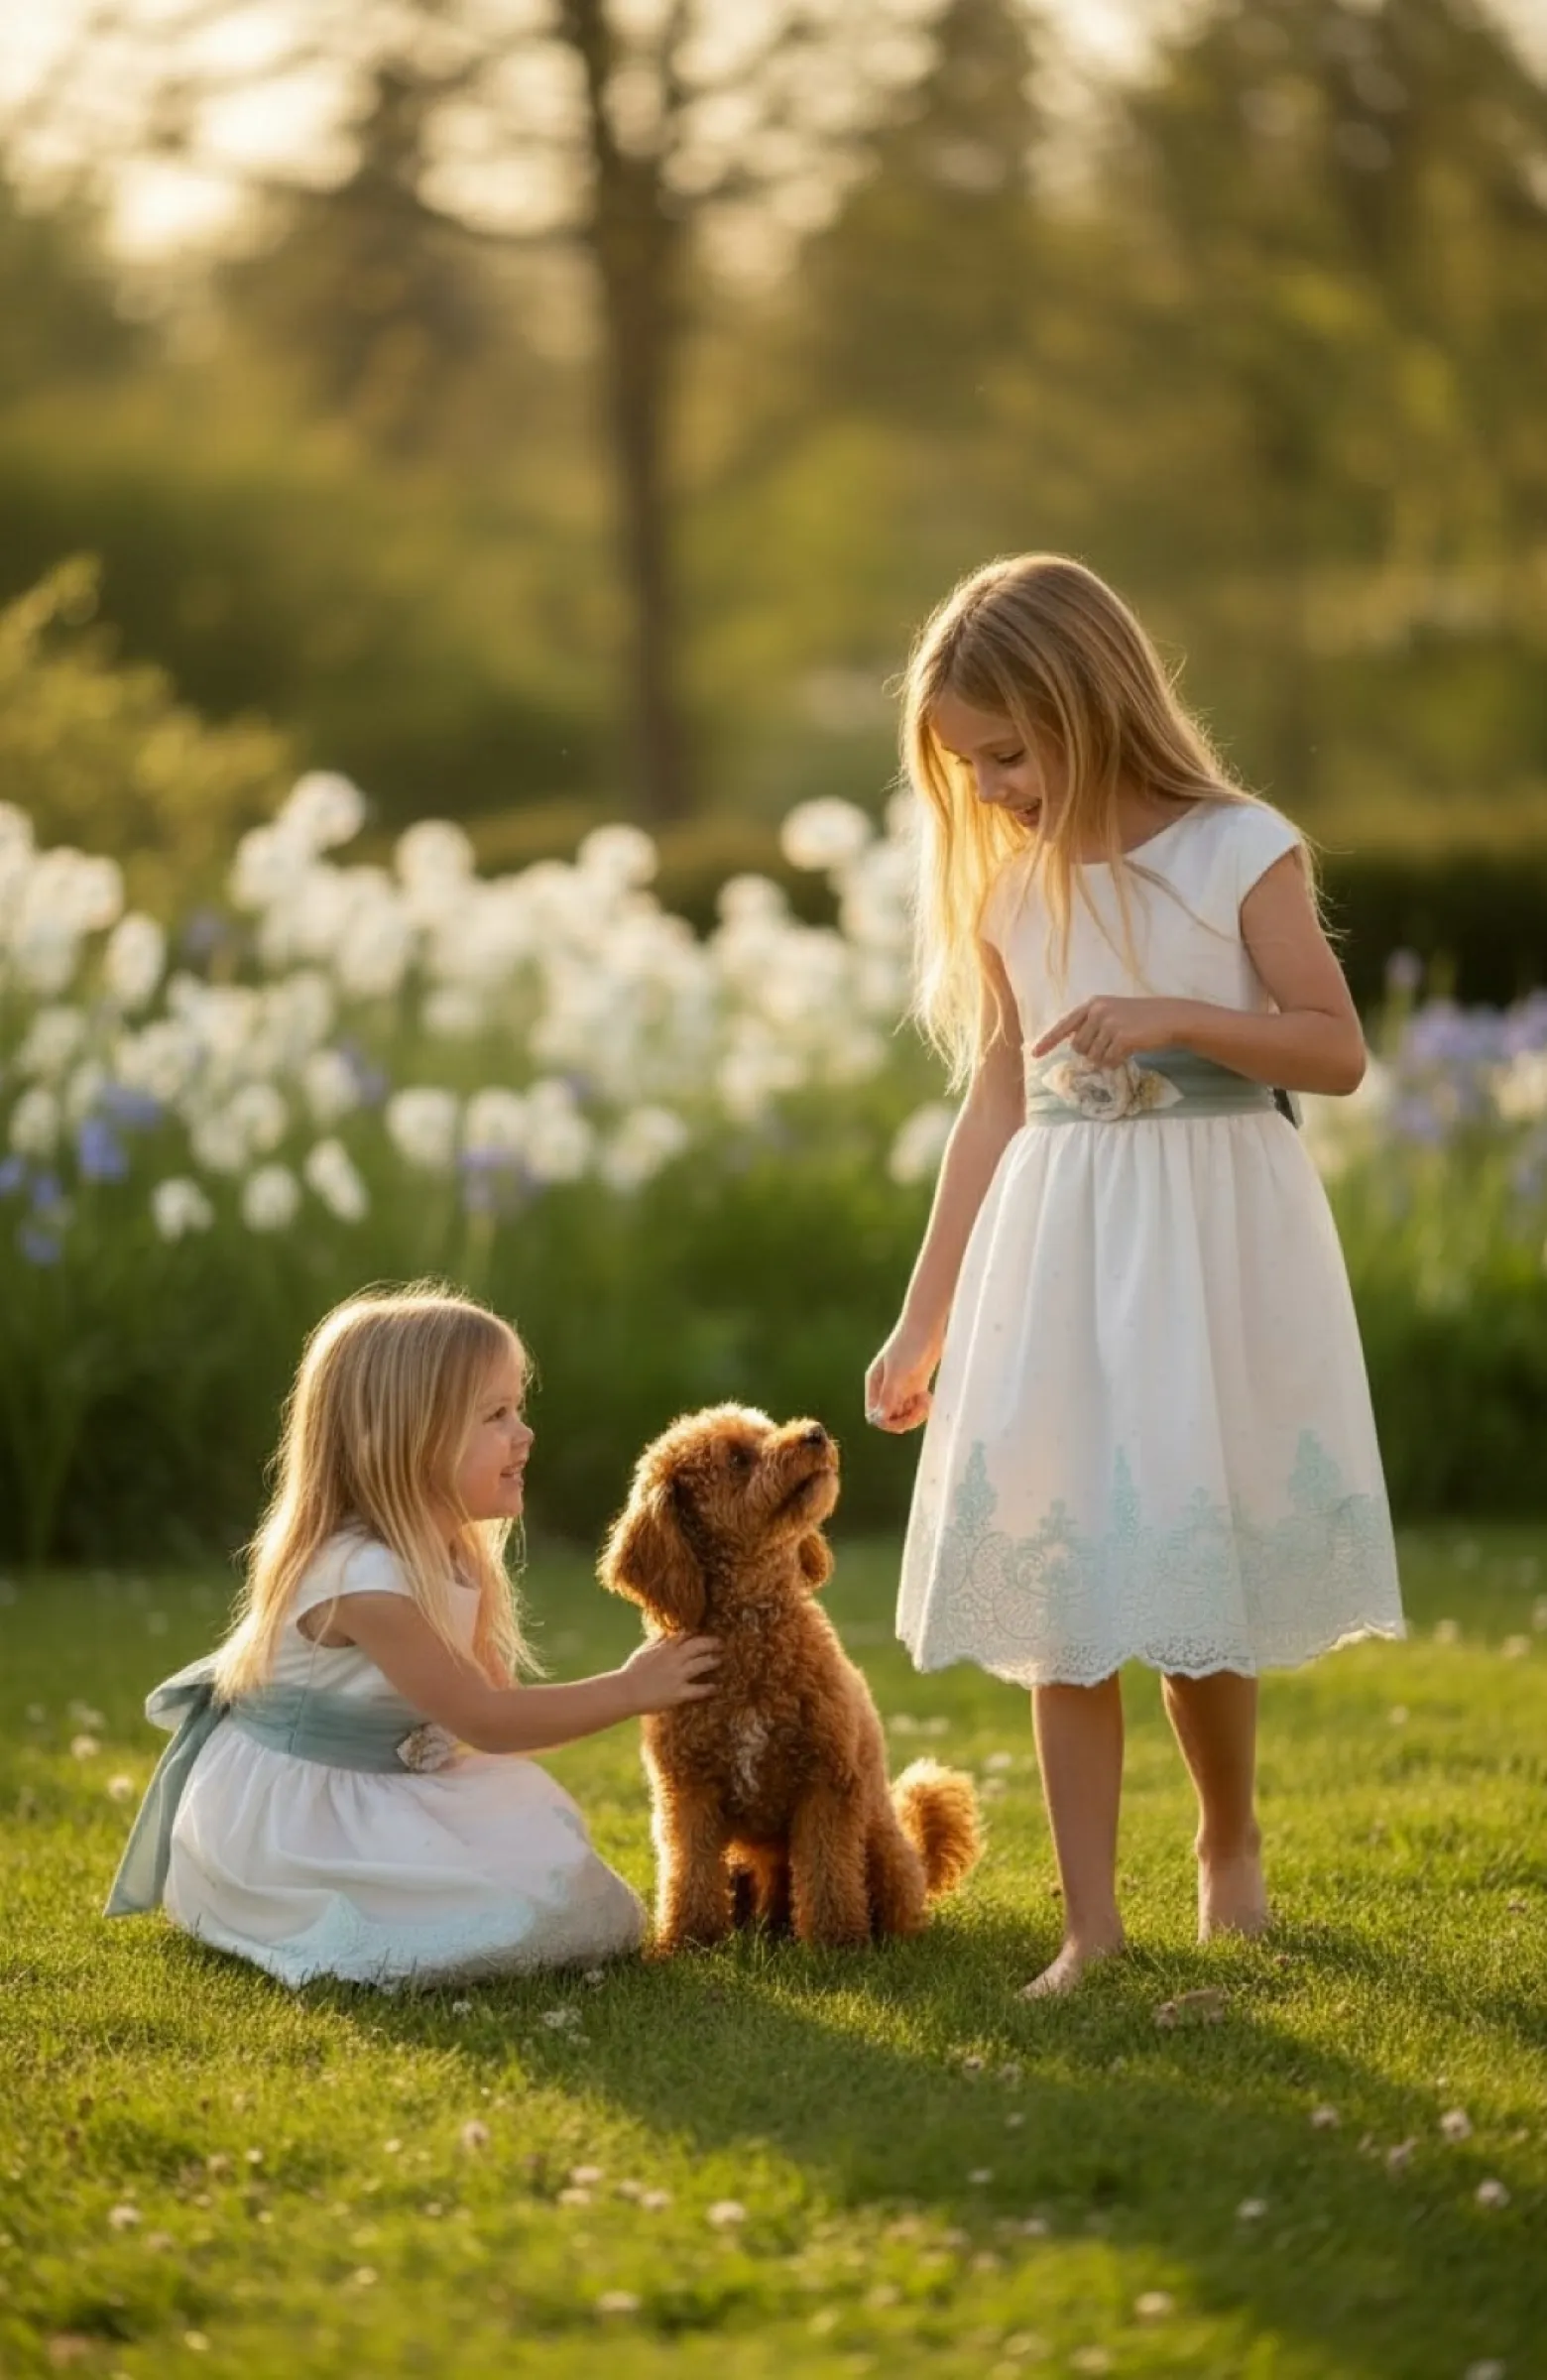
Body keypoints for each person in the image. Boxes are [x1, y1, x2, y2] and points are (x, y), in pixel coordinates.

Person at [866, 554, 1404, 1996]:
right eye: (964, 764)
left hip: (1205, 1244)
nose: (987, 788)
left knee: (1185, 1560)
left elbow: (1333, 1051)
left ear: (1092, 705)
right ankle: (1088, 1925)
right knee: (1063, 1574)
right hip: (1060, 1245)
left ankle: (1227, 1842)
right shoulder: (1017, 895)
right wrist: (923, 1316)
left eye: (1008, 752)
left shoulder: (1238, 850)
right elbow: (995, 1101)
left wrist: (1174, 1017)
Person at [106, 1282, 718, 1987]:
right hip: (303, 1815)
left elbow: (505, 1712)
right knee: (504, 1924)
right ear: (405, 1438)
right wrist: (630, 1689)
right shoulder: (361, 1577)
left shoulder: (456, 1552)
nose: (524, 1433)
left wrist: (628, 1690)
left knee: (576, 1898)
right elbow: (485, 1722)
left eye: (518, 1408)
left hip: (392, 1784)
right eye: (495, 1414)